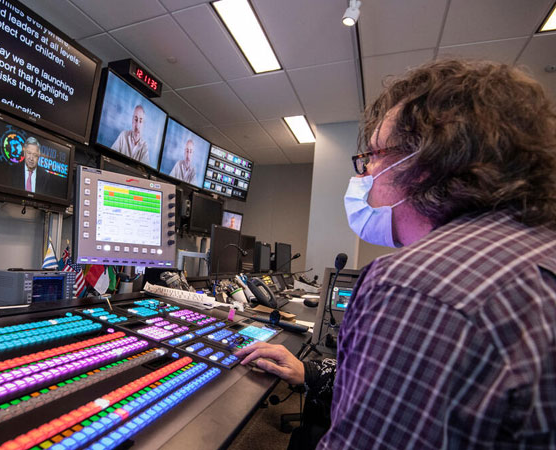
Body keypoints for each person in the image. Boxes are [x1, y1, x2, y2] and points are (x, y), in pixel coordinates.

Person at [236, 59, 556, 449]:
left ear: (424, 163)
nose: (365, 175)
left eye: (374, 155)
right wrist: (311, 373)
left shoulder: (414, 285)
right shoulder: (536, 251)